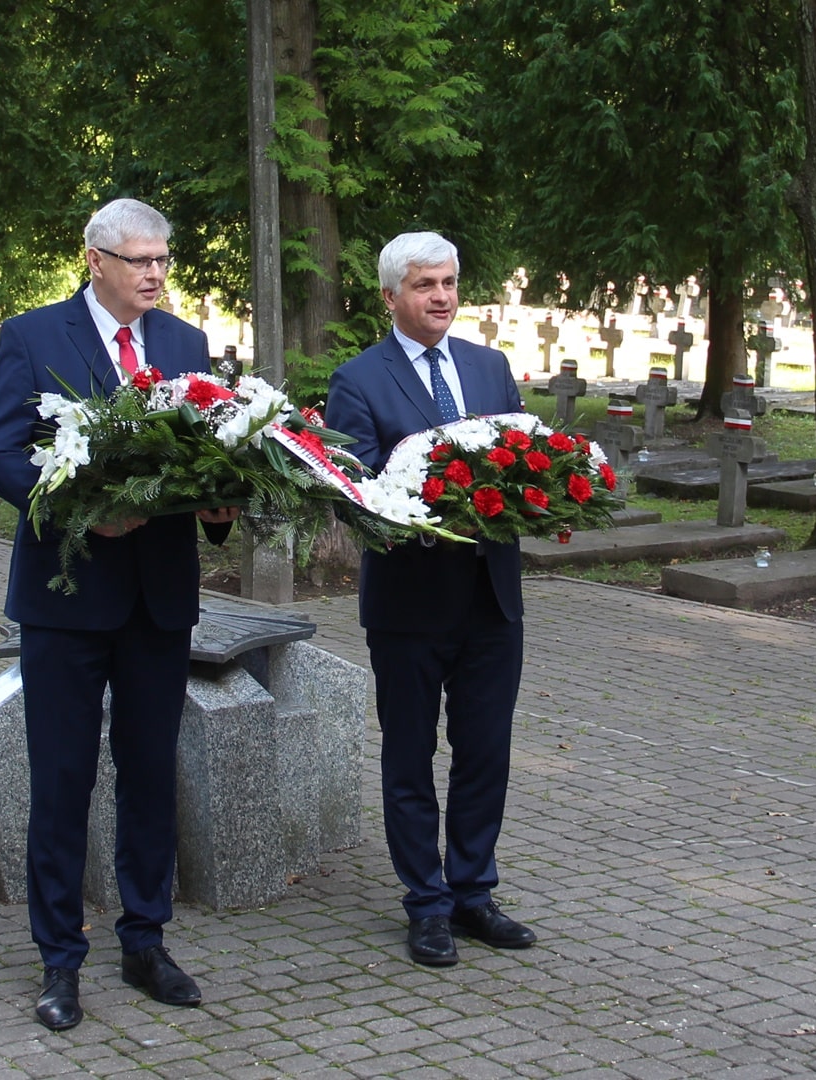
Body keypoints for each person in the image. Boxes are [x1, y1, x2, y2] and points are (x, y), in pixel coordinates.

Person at [0, 198, 237, 1031]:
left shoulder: (188, 346)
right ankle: (59, 960)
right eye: (139, 261)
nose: (155, 274)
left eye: (163, 260)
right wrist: (76, 509)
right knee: (63, 780)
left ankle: (146, 941)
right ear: (95, 261)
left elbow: (214, 451)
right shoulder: (35, 337)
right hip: (69, 598)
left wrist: (221, 503)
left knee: (151, 774)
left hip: (159, 597)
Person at [322, 231, 536, 967]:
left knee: (486, 754)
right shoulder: (359, 380)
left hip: (490, 599)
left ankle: (474, 892)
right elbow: (360, 489)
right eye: (424, 285)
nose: (441, 296)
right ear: (390, 297)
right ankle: (427, 903)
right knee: (410, 757)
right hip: (410, 603)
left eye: (448, 282)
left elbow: (523, 463)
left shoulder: (489, 366)